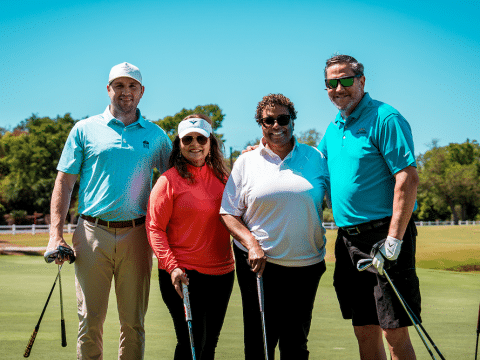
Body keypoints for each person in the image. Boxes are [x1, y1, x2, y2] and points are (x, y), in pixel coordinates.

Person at [46, 62, 172, 360]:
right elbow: (64, 184)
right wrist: (55, 235)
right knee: (89, 322)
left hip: (138, 236)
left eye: (132, 86)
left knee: (133, 324)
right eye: (119, 85)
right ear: (108, 89)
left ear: (141, 92)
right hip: (91, 234)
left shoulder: (156, 136)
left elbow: (176, 184)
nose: (125, 92)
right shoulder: (85, 129)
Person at [318, 54, 421, 360]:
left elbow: (407, 177)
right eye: (331, 83)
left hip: (385, 237)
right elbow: (313, 164)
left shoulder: (384, 118)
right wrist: (266, 148)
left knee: (394, 331)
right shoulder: (333, 128)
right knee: (364, 328)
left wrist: (394, 240)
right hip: (348, 241)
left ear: (361, 81)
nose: (339, 88)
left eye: (346, 80)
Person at [220, 94, 329, 360]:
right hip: (260, 265)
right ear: (260, 125)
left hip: (306, 266)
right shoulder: (247, 161)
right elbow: (228, 213)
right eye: (268, 121)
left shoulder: (316, 157)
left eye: (283, 119)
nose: (276, 125)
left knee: (295, 344)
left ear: (293, 120)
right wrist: (252, 245)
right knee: (260, 345)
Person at [146, 114, 235, 360]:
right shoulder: (168, 182)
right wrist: (172, 267)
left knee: (209, 347)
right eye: (187, 139)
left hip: (222, 274)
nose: (195, 144)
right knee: (192, 345)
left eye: (200, 138)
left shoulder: (225, 179)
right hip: (182, 274)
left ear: (210, 143)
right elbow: (154, 228)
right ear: (179, 144)